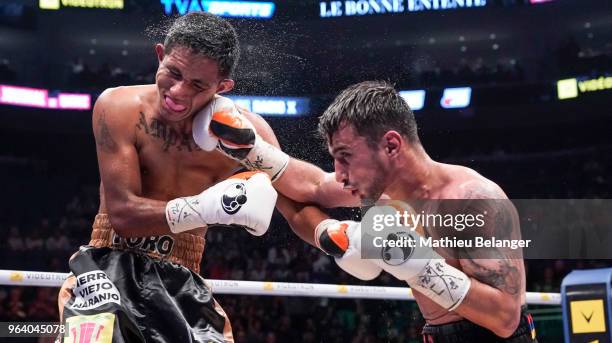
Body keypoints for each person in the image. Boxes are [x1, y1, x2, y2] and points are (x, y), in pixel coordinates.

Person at [57, 12, 355, 343]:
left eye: (198, 84)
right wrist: (208, 208)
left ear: (222, 87)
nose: (178, 91)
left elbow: (294, 202)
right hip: (106, 266)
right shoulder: (119, 107)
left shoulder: (245, 134)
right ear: (160, 55)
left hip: (182, 279)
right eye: (173, 73)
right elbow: (123, 214)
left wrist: (327, 232)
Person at [270, 81, 536, 342]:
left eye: (345, 156)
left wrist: (418, 265)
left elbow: (505, 319)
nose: (339, 174)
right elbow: (310, 186)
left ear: (391, 146)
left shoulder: (471, 200)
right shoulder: (376, 191)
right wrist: (251, 149)